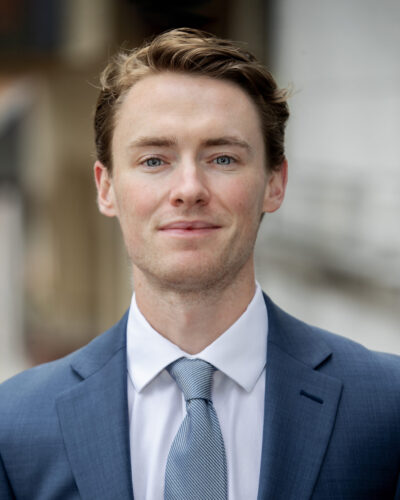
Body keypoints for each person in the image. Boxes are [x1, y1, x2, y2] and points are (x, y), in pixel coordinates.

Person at [0, 27, 399, 500]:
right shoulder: (14, 426)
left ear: (275, 183)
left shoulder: (386, 408)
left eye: (223, 158)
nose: (189, 188)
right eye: (154, 160)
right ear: (105, 187)